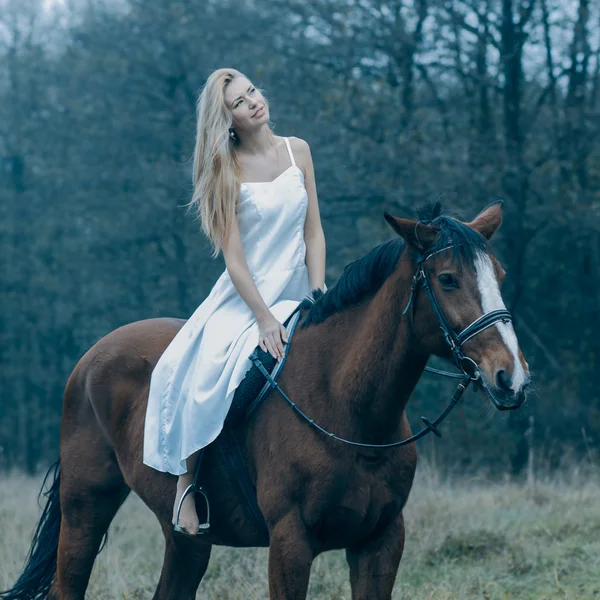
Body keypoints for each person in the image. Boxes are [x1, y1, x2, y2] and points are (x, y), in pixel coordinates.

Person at [142, 68, 327, 536]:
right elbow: (236, 259)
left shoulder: (297, 149)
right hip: (248, 296)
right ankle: (187, 483)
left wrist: (319, 289)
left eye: (252, 92)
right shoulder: (226, 169)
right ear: (227, 120)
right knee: (201, 370)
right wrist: (264, 319)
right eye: (240, 103)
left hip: (298, 287)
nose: (254, 103)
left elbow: (314, 230)